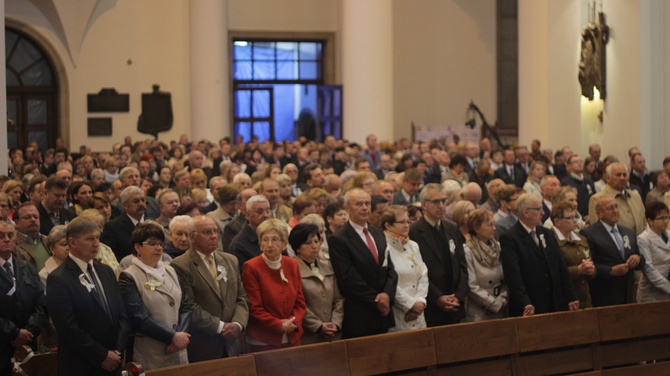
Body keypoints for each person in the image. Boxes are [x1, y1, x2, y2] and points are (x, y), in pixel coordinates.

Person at [46, 216, 130, 375]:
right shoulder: (59, 278)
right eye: (89, 239)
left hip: (113, 360)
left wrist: (117, 351)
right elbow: (67, 327)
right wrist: (101, 356)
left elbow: (122, 313)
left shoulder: (106, 271)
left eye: (97, 238)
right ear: (72, 242)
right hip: (81, 364)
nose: (96, 243)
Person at [171, 216, 249, 362]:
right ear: (192, 237)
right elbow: (189, 306)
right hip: (205, 344)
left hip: (234, 343)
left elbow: (241, 297)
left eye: (215, 231)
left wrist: (238, 324)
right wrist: (221, 327)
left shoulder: (231, 260)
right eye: (207, 232)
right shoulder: (180, 265)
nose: (214, 236)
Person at [118, 221, 191, 370]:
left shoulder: (170, 269)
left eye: (160, 244)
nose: (158, 248)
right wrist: (171, 337)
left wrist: (179, 336)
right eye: (152, 243)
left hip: (179, 350)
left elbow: (185, 306)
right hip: (152, 351)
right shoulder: (129, 276)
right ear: (137, 247)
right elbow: (139, 317)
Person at [328, 188, 398, 338]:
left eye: (367, 203)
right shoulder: (339, 239)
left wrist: (387, 294)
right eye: (359, 204)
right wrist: (377, 300)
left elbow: (390, 269)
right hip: (360, 314)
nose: (365, 207)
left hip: (383, 313)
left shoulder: (378, 232)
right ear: (347, 208)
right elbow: (348, 278)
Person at [500, 193, 579, 316]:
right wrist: (524, 302)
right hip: (531, 306)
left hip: (555, 303)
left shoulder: (547, 233)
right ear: (526, 212)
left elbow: (560, 266)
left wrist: (571, 296)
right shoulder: (510, 238)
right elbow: (513, 275)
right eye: (539, 209)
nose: (543, 213)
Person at [242, 218, 305, 351]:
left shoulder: (292, 264)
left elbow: (300, 302)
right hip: (264, 338)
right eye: (265, 240)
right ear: (260, 244)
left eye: (275, 239)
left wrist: (292, 322)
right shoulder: (251, 267)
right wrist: (279, 325)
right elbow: (254, 307)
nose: (270, 244)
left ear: (284, 244)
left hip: (292, 335)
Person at [409, 183, 467, 327]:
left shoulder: (451, 227)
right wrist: (437, 298)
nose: (441, 205)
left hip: (455, 303)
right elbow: (417, 272)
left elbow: (462, 265)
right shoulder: (414, 231)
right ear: (424, 204)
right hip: (431, 305)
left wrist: (459, 295)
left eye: (444, 201)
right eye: (436, 202)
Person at [0, 221, 47, 375]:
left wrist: (29, 330)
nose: (6, 239)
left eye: (10, 235)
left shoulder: (27, 267)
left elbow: (41, 303)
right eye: (1, 236)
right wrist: (14, 333)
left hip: (28, 343)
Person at [580, 196, 644, 307]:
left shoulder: (627, 231)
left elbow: (641, 259)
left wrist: (637, 258)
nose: (615, 211)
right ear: (599, 213)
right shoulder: (589, 233)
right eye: (610, 208)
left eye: (616, 207)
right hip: (604, 295)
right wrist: (611, 271)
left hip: (628, 295)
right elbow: (589, 265)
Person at [289, 223, 343, 344]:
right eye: (308, 243)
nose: (314, 246)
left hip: (333, 334)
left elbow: (338, 299)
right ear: (297, 247)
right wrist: (318, 326)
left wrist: (335, 323)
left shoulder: (327, 268)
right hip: (308, 335)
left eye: (316, 241)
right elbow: (296, 304)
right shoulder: (292, 270)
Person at [381, 205, 428, 331]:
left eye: (408, 222)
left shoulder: (414, 245)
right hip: (398, 314)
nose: (407, 225)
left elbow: (423, 275)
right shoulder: (383, 247)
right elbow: (388, 281)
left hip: (419, 314)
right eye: (402, 222)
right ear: (388, 225)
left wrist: (420, 302)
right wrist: (410, 305)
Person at [463, 209, 508, 321]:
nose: (494, 228)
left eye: (494, 224)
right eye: (489, 225)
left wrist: (503, 299)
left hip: (502, 306)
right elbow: (471, 286)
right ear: (476, 228)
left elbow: (508, 276)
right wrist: (494, 304)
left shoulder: (499, 247)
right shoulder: (468, 250)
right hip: (479, 311)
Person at [551, 201, 596, 308]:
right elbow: (553, 273)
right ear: (557, 221)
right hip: (564, 302)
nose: (575, 220)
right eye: (570, 218)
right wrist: (578, 270)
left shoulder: (581, 239)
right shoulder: (550, 240)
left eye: (575, 217)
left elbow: (592, 265)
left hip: (586, 299)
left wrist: (591, 270)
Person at [636, 201, 670, 302]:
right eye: (661, 218)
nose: (665, 221)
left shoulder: (668, 234)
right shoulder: (643, 239)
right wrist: (668, 287)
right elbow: (649, 269)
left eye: (667, 217)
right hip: (651, 294)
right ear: (650, 221)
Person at [101, 186, 147, 261]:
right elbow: (110, 257)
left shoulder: (152, 224)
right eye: (136, 201)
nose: (141, 204)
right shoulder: (112, 227)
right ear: (125, 205)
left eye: (143, 200)